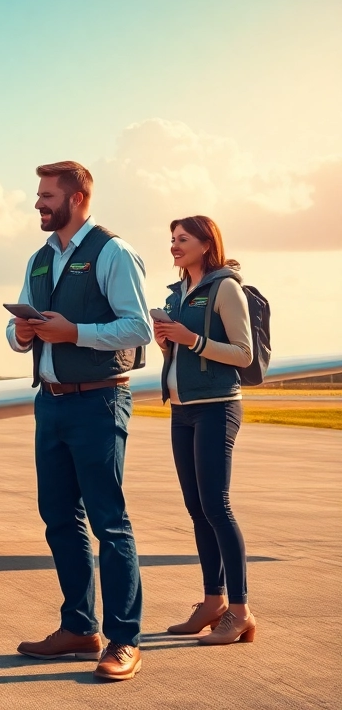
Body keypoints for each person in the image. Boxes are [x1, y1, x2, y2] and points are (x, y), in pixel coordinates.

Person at [6, 161, 152, 681]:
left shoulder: (113, 252)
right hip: (50, 402)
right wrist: (21, 335)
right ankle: (78, 627)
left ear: (78, 198)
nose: (39, 204)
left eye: (48, 195)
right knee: (59, 519)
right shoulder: (40, 259)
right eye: (39, 195)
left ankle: (124, 640)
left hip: (99, 401)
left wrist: (76, 334)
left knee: (110, 522)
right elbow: (13, 327)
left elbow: (139, 329)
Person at [155, 216, 257, 645]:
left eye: (183, 239)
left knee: (217, 506)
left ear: (205, 243)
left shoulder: (224, 287)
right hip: (182, 411)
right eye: (172, 239)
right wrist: (167, 340)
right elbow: (181, 345)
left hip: (217, 408)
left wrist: (191, 339)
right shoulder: (177, 294)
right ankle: (212, 602)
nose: (175, 245)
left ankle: (240, 611)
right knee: (196, 508)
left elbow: (244, 354)